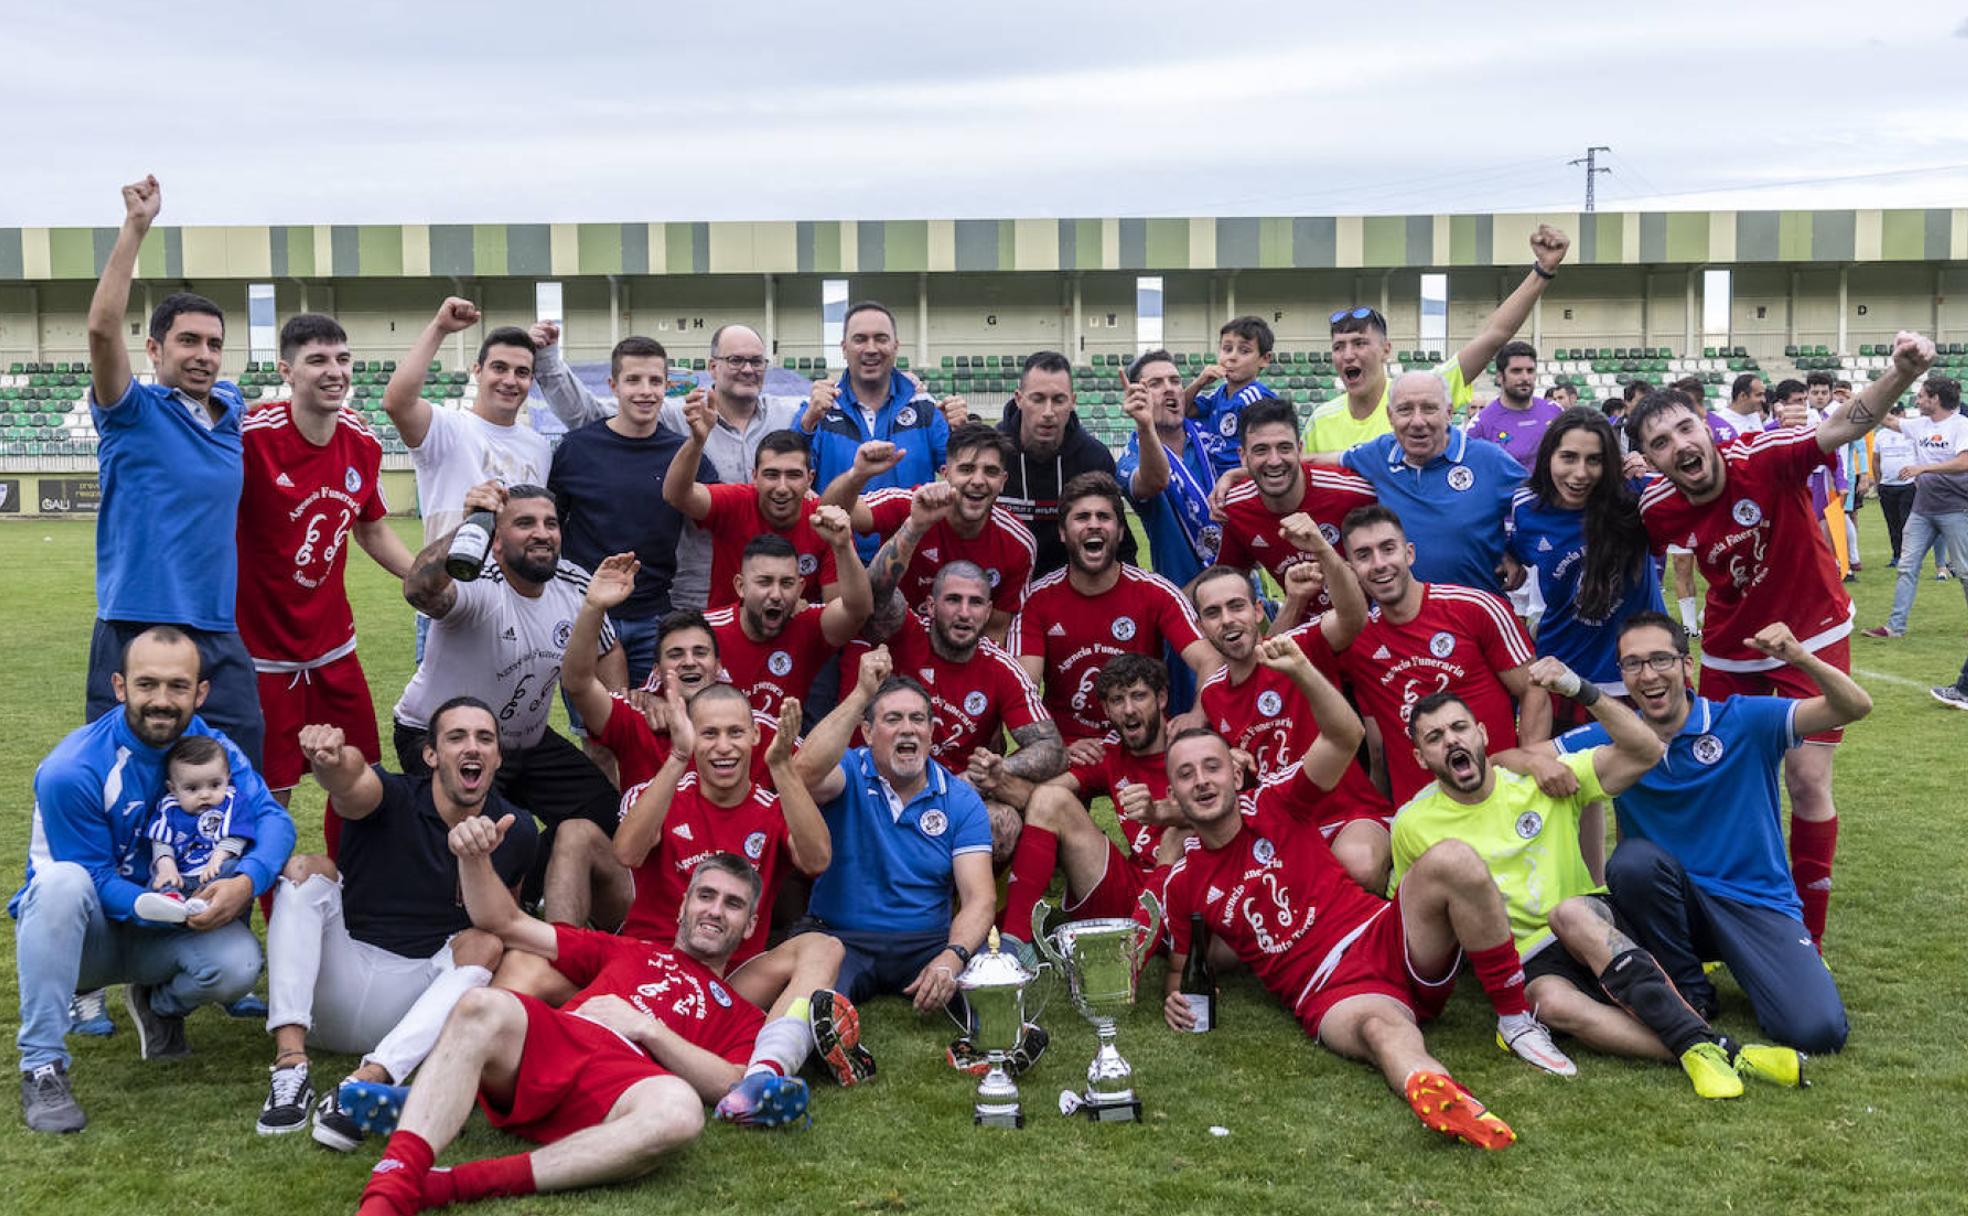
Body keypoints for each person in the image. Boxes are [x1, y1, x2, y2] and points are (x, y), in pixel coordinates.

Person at [1159, 672, 1567, 1148]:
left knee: (1453, 858)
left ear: (1234, 770)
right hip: (1333, 991)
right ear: (1172, 793)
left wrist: (1299, 670)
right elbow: (1180, 968)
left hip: (1385, 934)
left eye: (1211, 767)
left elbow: (1344, 734)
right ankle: (1440, 1092)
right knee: (1381, 1031)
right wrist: (1174, 997)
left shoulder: (1275, 802)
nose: (1202, 781)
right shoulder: (1183, 880)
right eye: (1186, 775)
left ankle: (1515, 1021)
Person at [1627, 330, 1934, 946]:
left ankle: (1805, 938)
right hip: (1728, 650)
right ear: (1650, 458)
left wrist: (1901, 371)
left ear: (1706, 427)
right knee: (1719, 780)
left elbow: (1846, 423)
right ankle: (1718, 911)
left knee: (1806, 781)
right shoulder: (1657, 505)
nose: (1679, 446)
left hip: (1812, 634)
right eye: (1659, 443)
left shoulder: (1765, 456)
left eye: (1686, 429)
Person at [1396, 668, 1804, 1097]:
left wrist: (1582, 690)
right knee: (1551, 1004)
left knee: (1568, 912)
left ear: (1481, 734)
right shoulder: (1412, 824)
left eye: (1460, 728)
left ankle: (1698, 1044)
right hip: (1523, 959)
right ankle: (1716, 1049)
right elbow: (1414, 912)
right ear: (1422, 757)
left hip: (1591, 922)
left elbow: (1647, 750)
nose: (1452, 741)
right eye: (1435, 738)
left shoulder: (1539, 781)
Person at [347, 845, 791, 1216]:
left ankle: (457, 1183)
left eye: (732, 904)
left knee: (681, 1113)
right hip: (562, 1039)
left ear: (751, 925)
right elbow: (509, 924)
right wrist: (474, 858)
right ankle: (392, 1187)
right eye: (706, 896)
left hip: (628, 1083)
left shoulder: (743, 1014)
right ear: (683, 906)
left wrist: (647, 1029)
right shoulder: (625, 948)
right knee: (482, 1004)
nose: (715, 910)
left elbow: (732, 1084)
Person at [1515, 614, 1864, 1053]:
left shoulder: (1744, 720)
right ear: (1622, 675)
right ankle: (1690, 993)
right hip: (1663, 907)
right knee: (1633, 864)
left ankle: (1742, 968)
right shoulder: (1613, 738)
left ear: (1686, 666)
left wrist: (1799, 656)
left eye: (1660, 659)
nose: (1648, 675)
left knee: (1818, 1032)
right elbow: (1513, 759)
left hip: (1752, 903)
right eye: (1633, 664)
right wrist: (1537, 762)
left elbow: (1854, 707)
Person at [14, 627, 296, 1133]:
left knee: (238, 964)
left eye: (177, 686)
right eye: (147, 685)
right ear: (120, 687)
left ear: (199, 693)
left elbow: (274, 819)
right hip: (84, 940)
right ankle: (42, 1063)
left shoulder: (208, 746)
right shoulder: (73, 767)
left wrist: (246, 881)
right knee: (62, 885)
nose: (161, 701)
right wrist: (166, 905)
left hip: (160, 930)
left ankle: (157, 1005)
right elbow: (94, 878)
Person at [258, 705, 535, 1148]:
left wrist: (477, 861)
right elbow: (352, 782)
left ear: (498, 757)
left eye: (485, 739)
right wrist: (331, 758)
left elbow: (508, 921)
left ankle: (367, 1083)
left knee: (486, 943)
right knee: (307, 870)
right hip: (333, 987)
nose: (472, 747)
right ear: (430, 755)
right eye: (457, 737)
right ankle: (290, 1065)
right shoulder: (394, 796)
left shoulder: (515, 828)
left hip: (416, 1008)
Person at [83, 176, 264, 767]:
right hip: (135, 622)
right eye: (188, 341)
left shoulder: (230, 409)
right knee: (127, 776)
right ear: (156, 350)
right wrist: (136, 227)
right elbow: (102, 329)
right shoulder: (130, 412)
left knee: (238, 766)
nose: (204, 354)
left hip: (215, 626)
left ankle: (229, 864)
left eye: (214, 343)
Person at [394, 482, 623, 883]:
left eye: (550, 523)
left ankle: (533, 886)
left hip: (524, 740)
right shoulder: (476, 579)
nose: (542, 532)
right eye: (524, 523)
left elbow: (607, 647)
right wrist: (467, 528)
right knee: (487, 834)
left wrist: (620, 706)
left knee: (604, 808)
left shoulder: (574, 584)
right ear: (495, 541)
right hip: (437, 738)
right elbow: (419, 591)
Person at [239, 314, 413, 816]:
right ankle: (269, 895)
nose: (334, 371)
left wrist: (422, 578)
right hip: (259, 652)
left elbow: (371, 526)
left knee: (356, 778)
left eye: (342, 359)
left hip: (333, 646)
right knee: (270, 791)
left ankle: (353, 888)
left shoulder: (362, 440)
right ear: (287, 371)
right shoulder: (252, 436)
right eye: (317, 360)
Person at [530, 321, 802, 613]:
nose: (747, 369)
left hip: (767, 586)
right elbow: (591, 415)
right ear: (712, 367)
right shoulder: (675, 418)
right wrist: (547, 359)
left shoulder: (791, 415)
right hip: (694, 590)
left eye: (756, 360)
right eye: (735, 359)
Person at [789, 651, 995, 1011]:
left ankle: (1006, 1042)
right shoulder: (849, 770)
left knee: (995, 967)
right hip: (841, 937)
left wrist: (952, 956)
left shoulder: (960, 799)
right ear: (867, 731)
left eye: (918, 719)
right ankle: (814, 1046)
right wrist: (860, 695)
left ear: (931, 732)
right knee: (812, 1000)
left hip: (927, 942)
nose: (907, 728)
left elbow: (980, 898)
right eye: (893, 719)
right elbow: (802, 773)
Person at [1191, 559, 1392, 891]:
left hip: (1347, 815)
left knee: (1358, 866)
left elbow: (1353, 618)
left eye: (1236, 606)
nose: (1227, 620)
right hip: (1284, 827)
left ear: (1258, 611)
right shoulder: (1212, 693)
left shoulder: (1298, 646)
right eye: (1213, 613)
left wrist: (1322, 551)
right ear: (1201, 627)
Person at [1329, 506, 1548, 803]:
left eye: (1388, 549)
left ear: (1410, 554)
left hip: (1499, 797)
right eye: (1364, 555)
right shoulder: (1354, 639)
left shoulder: (1476, 608)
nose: (1379, 564)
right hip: (1423, 814)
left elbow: (1533, 688)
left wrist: (1527, 768)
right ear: (1351, 568)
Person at [1301, 225, 1570, 453]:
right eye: (1339, 347)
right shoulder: (1319, 423)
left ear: (1386, 350)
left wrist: (1543, 270)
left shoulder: (1422, 394)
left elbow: (1493, 336)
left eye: (1360, 343)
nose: (1348, 354)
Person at [545, 335, 718, 687]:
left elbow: (717, 518)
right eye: (633, 380)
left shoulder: (685, 454)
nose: (645, 391)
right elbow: (551, 527)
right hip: (588, 614)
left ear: (667, 386)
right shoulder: (576, 449)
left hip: (654, 617)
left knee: (655, 727)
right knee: (594, 731)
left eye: (655, 381)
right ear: (613, 385)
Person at [988, 654, 1188, 938]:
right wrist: (996, 779)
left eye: (1139, 696)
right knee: (1050, 798)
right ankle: (1013, 940)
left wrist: (1160, 811)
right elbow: (1040, 799)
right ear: (1106, 709)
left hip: (1192, 888)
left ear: (1162, 698)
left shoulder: (1194, 746)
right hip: (1133, 890)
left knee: (1221, 950)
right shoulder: (1110, 753)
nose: (1129, 709)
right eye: (1117, 700)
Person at [852, 509, 1062, 779]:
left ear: (987, 612)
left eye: (975, 603)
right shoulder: (906, 632)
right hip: (887, 782)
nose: (964, 612)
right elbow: (876, 590)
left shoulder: (1001, 667)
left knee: (1005, 817)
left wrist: (998, 767)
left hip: (958, 790)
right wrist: (914, 526)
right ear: (931, 606)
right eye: (953, 600)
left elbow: (1052, 749)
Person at [1010, 472, 1218, 739]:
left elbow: (1210, 660)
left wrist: (1197, 715)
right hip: (1071, 752)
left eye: (1104, 517)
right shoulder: (1036, 601)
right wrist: (1054, 747)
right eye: (1082, 517)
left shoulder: (1156, 592)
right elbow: (1021, 690)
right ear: (1063, 532)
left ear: (1120, 532)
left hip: (1142, 747)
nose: (1094, 525)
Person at [1505, 408, 1663, 726]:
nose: (1580, 473)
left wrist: (1654, 467)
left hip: (1638, 673)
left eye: (1594, 460)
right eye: (1568, 457)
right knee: (1563, 773)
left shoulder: (1637, 493)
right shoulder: (1527, 505)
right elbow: (1514, 551)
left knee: (1649, 771)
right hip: (1562, 675)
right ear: (1548, 456)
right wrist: (1507, 558)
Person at [823, 423, 1037, 639]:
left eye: (990, 471)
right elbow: (830, 510)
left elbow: (995, 631)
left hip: (958, 653)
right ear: (945, 474)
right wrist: (856, 475)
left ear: (1003, 481)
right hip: (890, 646)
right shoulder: (909, 504)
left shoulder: (1018, 542)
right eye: (966, 469)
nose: (978, 481)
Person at [1333, 372, 1529, 594]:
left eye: (1429, 408)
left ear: (1448, 412)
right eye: (1405, 409)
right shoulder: (1379, 454)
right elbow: (1318, 461)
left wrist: (1514, 550)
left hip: (1474, 619)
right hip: (1400, 620)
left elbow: (1543, 503)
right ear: (1390, 415)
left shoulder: (1489, 460)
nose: (1417, 421)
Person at [799, 301, 952, 558]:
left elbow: (958, 471)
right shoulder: (817, 410)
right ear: (844, 348)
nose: (871, 349)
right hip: (837, 561)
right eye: (860, 339)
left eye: (881, 339)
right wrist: (807, 424)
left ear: (895, 346)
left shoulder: (925, 407)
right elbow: (794, 476)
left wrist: (961, 430)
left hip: (911, 561)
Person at [1214, 398, 1378, 618]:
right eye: (1261, 450)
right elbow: (1228, 581)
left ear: (1300, 450)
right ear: (1243, 456)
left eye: (1284, 448)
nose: (1274, 460)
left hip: (1371, 632)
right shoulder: (1235, 508)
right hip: (1304, 636)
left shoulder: (1354, 493)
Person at [666, 415, 840, 610]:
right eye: (771, 475)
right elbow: (676, 495)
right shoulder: (735, 502)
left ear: (810, 478)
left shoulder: (825, 522)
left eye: (793, 475)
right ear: (754, 476)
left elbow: (837, 610)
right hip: (727, 634)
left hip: (798, 633)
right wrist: (696, 442)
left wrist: (805, 616)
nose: (782, 487)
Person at [996, 351, 1139, 578]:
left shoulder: (1094, 458)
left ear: (1072, 402)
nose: (1048, 412)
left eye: (1058, 400)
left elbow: (1119, 544)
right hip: (1001, 593)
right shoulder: (993, 453)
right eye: (1038, 399)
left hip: (1070, 595)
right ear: (1019, 398)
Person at [701, 529, 872, 718]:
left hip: (786, 746)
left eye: (786, 583)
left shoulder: (807, 625)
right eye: (764, 582)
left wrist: (843, 546)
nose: (776, 595)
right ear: (741, 587)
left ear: (800, 589)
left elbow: (858, 610)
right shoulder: (705, 632)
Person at [1863, 373, 1968, 638]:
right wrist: (1875, 395)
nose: (1917, 400)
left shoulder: (1961, 426)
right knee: (1907, 567)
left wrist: (1923, 469)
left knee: (1965, 570)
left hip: (1956, 507)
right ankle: (1895, 627)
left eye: (1921, 396)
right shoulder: (1919, 425)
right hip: (1923, 509)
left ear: (1935, 399)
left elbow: (1964, 463)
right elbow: (1886, 420)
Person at [1115, 349, 1227, 593]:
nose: (1169, 388)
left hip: (1245, 589)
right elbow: (1154, 481)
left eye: (1175, 381)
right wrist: (1145, 425)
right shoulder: (1130, 457)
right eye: (1155, 384)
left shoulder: (1212, 432)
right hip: (1185, 603)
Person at [139, 736, 252, 911]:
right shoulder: (169, 808)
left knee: (234, 867)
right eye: (192, 788)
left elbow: (237, 835)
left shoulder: (231, 801)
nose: (205, 795)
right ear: (173, 789)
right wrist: (166, 864)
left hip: (214, 869)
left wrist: (219, 857)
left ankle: (206, 899)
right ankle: (170, 899)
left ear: (227, 779)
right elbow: (161, 841)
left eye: (215, 785)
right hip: (180, 873)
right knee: (158, 875)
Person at [1182, 315, 1279, 476]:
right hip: (1213, 478)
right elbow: (1182, 411)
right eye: (1227, 349)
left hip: (1242, 482)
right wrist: (1199, 382)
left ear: (1264, 359)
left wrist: (1233, 477)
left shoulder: (1256, 399)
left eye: (1244, 351)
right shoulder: (1219, 394)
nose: (1232, 357)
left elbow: (1269, 457)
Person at [1466, 341, 1565, 468]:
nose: (1525, 377)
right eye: (1516, 371)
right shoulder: (1481, 424)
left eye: (1530, 371)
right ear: (1500, 377)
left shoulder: (1555, 411)